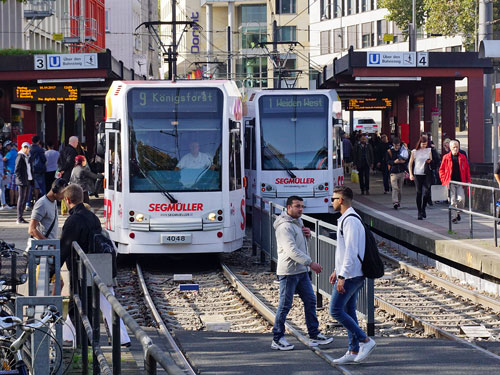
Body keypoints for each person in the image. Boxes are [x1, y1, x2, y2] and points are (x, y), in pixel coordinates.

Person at [59, 184, 130, 346]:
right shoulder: (92, 217)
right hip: (101, 262)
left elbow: (65, 247)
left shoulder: (73, 221)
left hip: (83, 268)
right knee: (105, 300)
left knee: (78, 302)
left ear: (67, 200)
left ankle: (74, 338)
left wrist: (52, 269)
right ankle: (121, 338)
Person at [271, 195, 333, 350]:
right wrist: (310, 263)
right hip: (289, 272)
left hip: (301, 271)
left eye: (302, 206)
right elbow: (291, 250)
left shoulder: (298, 222)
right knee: (285, 305)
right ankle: (277, 338)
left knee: (310, 301)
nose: (300, 209)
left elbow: (300, 245)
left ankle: (314, 333)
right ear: (288, 207)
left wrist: (308, 236)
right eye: (297, 206)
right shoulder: (284, 227)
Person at [329, 186, 376, 364]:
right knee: (348, 310)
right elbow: (344, 251)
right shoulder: (347, 219)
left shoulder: (350, 221)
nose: (331, 201)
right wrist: (337, 269)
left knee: (335, 310)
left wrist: (342, 275)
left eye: (333, 198)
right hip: (350, 272)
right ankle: (353, 350)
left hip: (351, 275)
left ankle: (365, 340)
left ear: (341, 200)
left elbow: (351, 250)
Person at [439, 140, 471, 223]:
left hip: (460, 182)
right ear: (450, 148)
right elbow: (441, 169)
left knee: (461, 199)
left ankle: (458, 213)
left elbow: (467, 169)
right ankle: (454, 217)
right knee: (452, 200)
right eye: (454, 147)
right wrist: (444, 179)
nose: (456, 149)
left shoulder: (462, 157)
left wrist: (468, 181)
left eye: (457, 147)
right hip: (450, 182)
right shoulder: (446, 157)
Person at [408, 135, 432, 220]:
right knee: (419, 192)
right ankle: (419, 211)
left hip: (426, 173)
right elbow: (410, 163)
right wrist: (410, 174)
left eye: (425, 144)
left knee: (427, 191)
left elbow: (431, 161)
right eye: (422, 144)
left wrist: (429, 161)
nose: (424, 146)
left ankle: (423, 208)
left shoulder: (429, 150)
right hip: (417, 173)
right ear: (419, 143)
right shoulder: (414, 152)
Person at [14, 142, 33, 224]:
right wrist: (20, 180)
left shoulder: (26, 156)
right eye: (27, 148)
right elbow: (17, 170)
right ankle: (19, 217)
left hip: (27, 180)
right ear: (24, 148)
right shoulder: (20, 156)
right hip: (22, 181)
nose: (28, 150)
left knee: (25, 199)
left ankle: (21, 217)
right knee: (21, 199)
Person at [386, 138, 408, 210]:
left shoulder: (402, 150)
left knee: (400, 189)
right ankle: (395, 202)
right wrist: (394, 162)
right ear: (393, 144)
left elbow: (406, 159)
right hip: (393, 172)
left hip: (401, 171)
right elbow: (388, 161)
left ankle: (398, 202)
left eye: (398, 145)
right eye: (396, 145)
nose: (397, 147)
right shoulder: (389, 151)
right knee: (395, 188)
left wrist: (403, 162)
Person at [29, 135, 47, 200]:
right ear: (38, 141)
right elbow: (44, 159)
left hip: (30, 170)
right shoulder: (40, 149)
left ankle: (28, 203)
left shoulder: (29, 149)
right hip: (39, 170)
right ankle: (43, 201)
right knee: (42, 187)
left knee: (30, 187)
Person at [3, 141, 18, 207]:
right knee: (16, 188)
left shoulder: (10, 153)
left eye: (6, 147)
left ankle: (11, 203)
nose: (6, 149)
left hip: (10, 172)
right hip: (16, 173)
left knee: (11, 189)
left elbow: (3, 160)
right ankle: (16, 202)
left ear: (8, 146)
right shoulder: (16, 152)